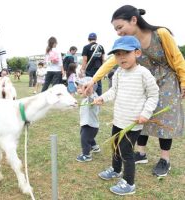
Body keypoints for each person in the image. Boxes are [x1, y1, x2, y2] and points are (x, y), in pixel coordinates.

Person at [84, 5, 185, 177]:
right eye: (116, 29)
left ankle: (164, 159)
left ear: (133, 20)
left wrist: (183, 81)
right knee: (141, 116)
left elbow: (177, 58)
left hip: (166, 81)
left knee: (165, 120)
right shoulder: (128, 44)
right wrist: (93, 80)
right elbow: (111, 62)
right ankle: (141, 152)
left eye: (120, 27)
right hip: (143, 80)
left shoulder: (160, 34)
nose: (118, 32)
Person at [93, 36, 159, 195]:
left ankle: (129, 183)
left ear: (137, 53)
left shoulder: (143, 73)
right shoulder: (118, 73)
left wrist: (145, 113)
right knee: (115, 146)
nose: (121, 57)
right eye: (117, 54)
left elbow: (153, 95)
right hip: (119, 119)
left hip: (133, 123)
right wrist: (103, 98)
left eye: (125, 53)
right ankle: (115, 170)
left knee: (126, 151)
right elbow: (113, 91)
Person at [76, 77, 101, 162]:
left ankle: (86, 155)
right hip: (86, 124)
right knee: (87, 136)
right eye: (78, 88)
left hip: (90, 125)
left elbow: (91, 98)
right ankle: (95, 147)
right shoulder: (85, 99)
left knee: (84, 139)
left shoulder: (93, 98)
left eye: (80, 88)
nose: (78, 90)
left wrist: (89, 91)